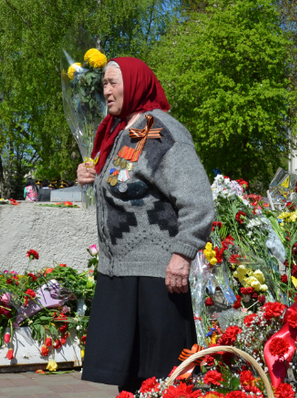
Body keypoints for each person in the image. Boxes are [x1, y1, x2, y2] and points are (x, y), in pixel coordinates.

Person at [76, 57, 213, 392]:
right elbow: (127, 184)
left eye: (113, 83)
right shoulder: (126, 131)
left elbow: (197, 199)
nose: (106, 91)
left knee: (163, 380)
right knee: (131, 381)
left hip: (156, 277)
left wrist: (183, 253)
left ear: (136, 82)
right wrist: (90, 178)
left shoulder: (160, 130)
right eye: (103, 84)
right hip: (120, 274)